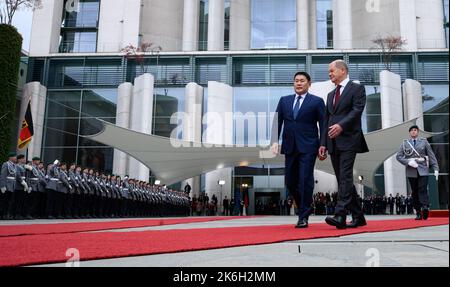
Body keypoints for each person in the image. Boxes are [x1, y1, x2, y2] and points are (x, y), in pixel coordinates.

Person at [271, 71, 325, 229]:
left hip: (309, 147)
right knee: (290, 181)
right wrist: (274, 141)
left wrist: (323, 145)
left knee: (305, 179)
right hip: (289, 147)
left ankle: (303, 216)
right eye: (296, 81)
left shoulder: (316, 102)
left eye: (302, 81)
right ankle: (304, 206)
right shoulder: (284, 101)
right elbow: (277, 122)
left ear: (309, 83)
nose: (298, 83)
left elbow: (323, 125)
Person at [319, 60, 369, 229]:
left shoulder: (357, 89)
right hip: (332, 143)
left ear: (342, 70)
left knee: (345, 176)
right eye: (329, 72)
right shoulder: (330, 95)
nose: (329, 74)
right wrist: (323, 143)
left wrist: (341, 125)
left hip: (349, 139)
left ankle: (340, 215)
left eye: (332, 71)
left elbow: (357, 111)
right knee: (343, 179)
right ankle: (358, 216)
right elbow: (326, 120)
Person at [396, 125, 439, 220]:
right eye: (412, 130)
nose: (413, 132)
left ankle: (425, 207)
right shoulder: (404, 143)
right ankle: (418, 212)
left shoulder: (424, 142)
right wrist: (408, 162)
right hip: (411, 170)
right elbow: (398, 156)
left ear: (418, 132)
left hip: (423, 168)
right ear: (409, 133)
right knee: (414, 192)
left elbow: (431, 155)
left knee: (422, 189)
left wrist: (436, 168)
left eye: (415, 130)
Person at [0, 153, 17, 220]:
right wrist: (2, 186)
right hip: (6, 185)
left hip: (12, 186)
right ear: (10, 157)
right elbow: (3, 175)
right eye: (14, 157)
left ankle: (7, 214)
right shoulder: (6, 164)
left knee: (10, 201)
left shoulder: (14, 165)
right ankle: (2, 214)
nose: (15, 158)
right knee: (4, 201)